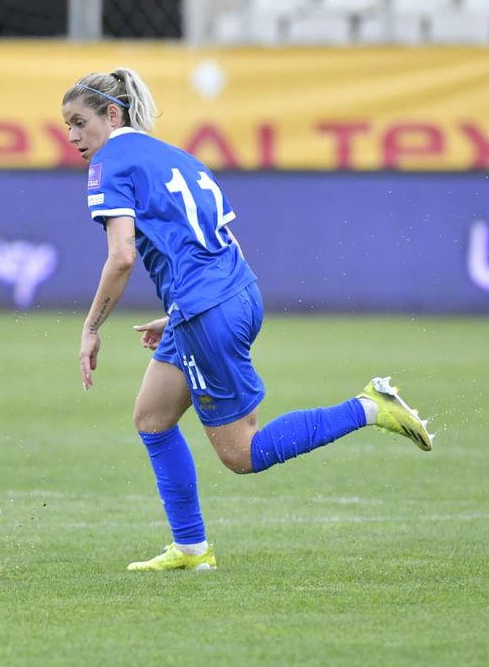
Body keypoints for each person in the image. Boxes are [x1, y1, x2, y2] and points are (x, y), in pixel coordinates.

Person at [63, 67, 434, 571]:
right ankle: (192, 549)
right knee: (152, 417)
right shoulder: (180, 158)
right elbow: (219, 244)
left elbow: (122, 256)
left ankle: (369, 407)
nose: (72, 136)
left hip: (205, 309)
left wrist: (90, 329)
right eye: (67, 125)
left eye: (79, 122)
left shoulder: (109, 164)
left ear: (112, 113)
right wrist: (178, 316)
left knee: (241, 453)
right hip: (232, 293)